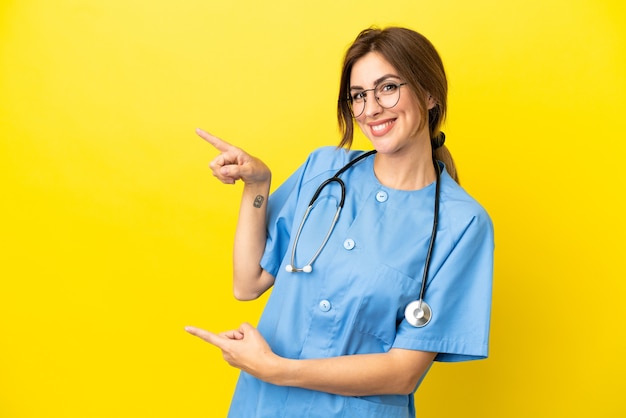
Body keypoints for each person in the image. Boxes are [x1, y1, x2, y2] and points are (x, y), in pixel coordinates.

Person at [186, 26, 494, 418]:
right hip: (263, 407)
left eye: (387, 88)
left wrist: (276, 369)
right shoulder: (322, 170)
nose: (370, 109)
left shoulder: (463, 224)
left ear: (430, 93)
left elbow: (403, 373)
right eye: (358, 96)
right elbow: (248, 283)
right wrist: (257, 185)